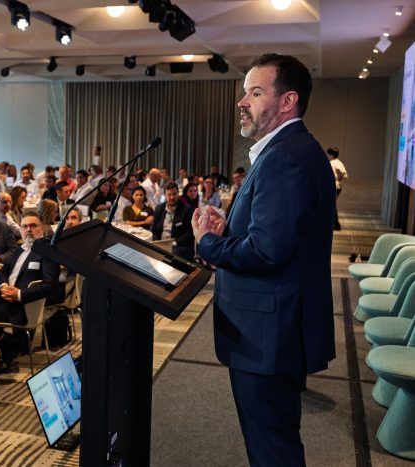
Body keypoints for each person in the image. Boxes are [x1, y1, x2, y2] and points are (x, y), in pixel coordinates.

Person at [192, 53, 335, 466]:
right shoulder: (289, 151)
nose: (242, 102)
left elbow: (267, 251)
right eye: (244, 92)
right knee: (274, 442)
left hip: (268, 335)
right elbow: (277, 238)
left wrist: (207, 243)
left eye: (255, 92)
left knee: (273, 450)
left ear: (287, 101)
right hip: (274, 329)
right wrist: (229, 229)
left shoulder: (286, 157)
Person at [0, 212, 59, 372]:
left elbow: (49, 285)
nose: (28, 230)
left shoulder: (48, 253)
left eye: (33, 226)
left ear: (41, 228)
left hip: (23, 306)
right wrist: (3, 286)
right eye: (25, 226)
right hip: (6, 298)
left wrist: (19, 294)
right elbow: (2, 272)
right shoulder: (19, 249)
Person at [151, 182, 194, 260]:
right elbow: (154, 229)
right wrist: (156, 243)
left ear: (178, 194)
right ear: (165, 195)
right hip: (161, 243)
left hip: (179, 245)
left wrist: (174, 243)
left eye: (174, 194)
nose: (172, 197)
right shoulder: (159, 208)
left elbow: (190, 233)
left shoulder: (186, 209)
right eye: (169, 194)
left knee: (170, 254)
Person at [327, 147, 348, 230]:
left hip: (334, 186)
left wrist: (337, 179)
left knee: (332, 205)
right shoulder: (339, 162)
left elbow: (343, 174)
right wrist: (339, 179)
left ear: (331, 155)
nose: (327, 156)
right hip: (337, 186)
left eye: (328, 154)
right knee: (332, 205)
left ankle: (336, 225)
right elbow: (345, 175)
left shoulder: (332, 163)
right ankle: (335, 224)